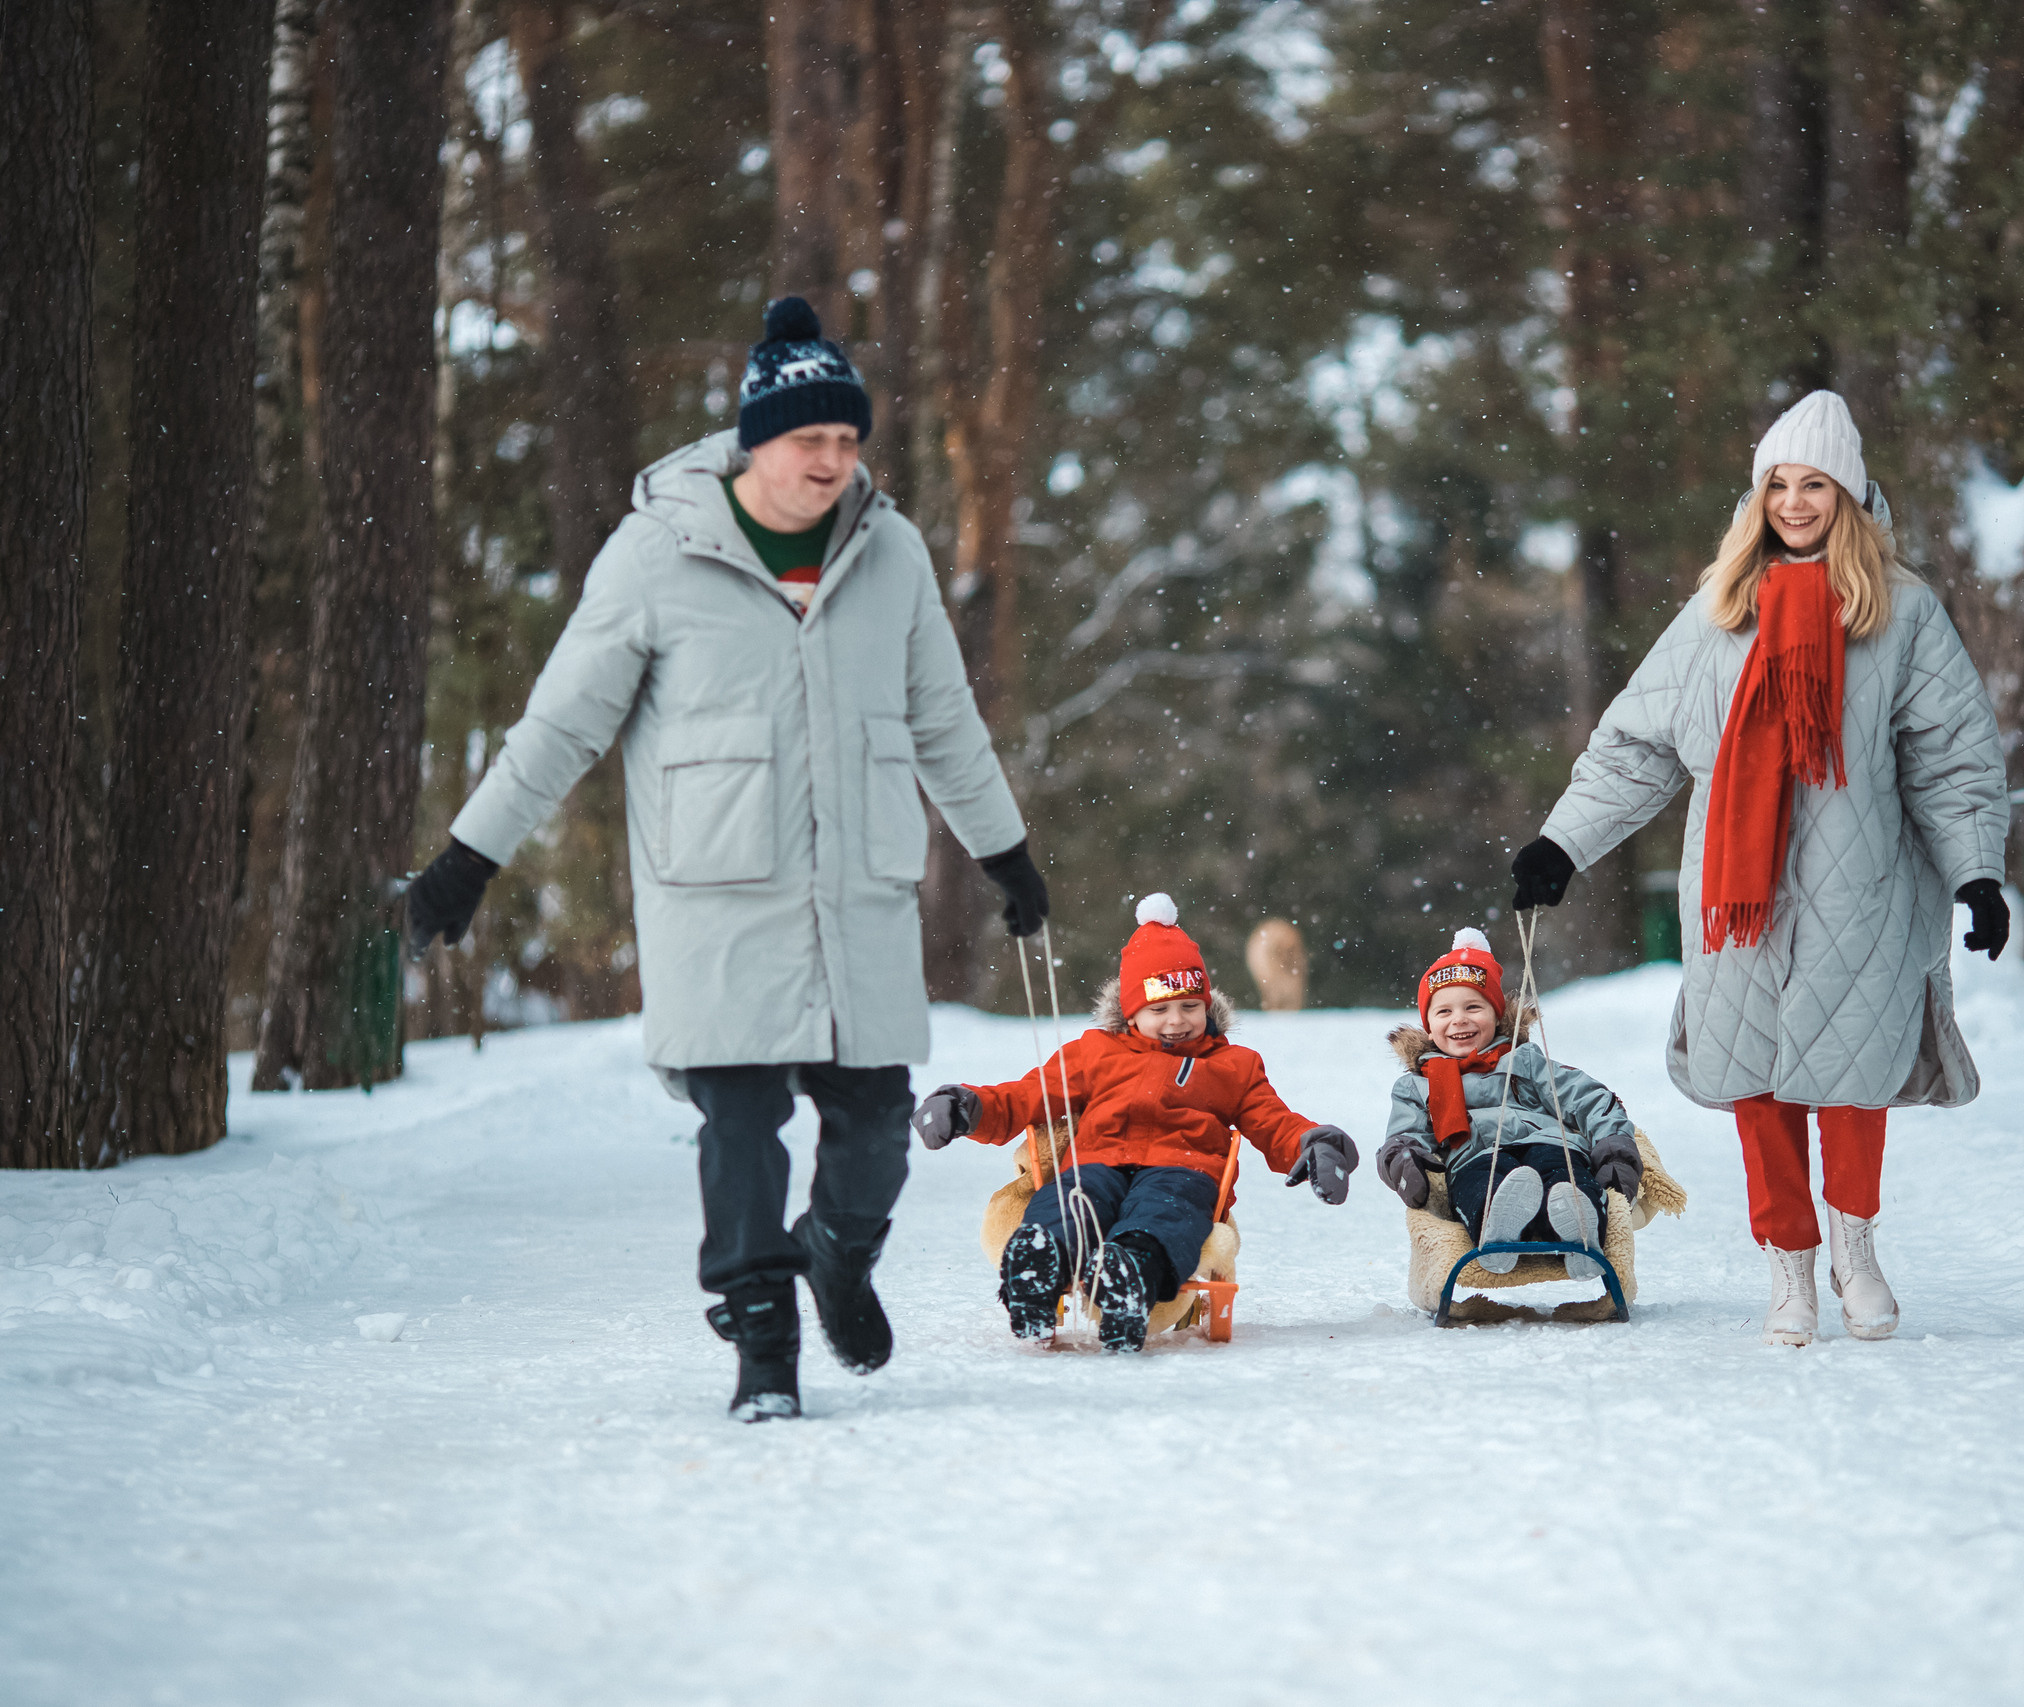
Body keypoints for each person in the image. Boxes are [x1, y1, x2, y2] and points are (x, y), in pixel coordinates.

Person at [402, 297, 1049, 1421]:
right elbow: (561, 725)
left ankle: (838, 1257)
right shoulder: (659, 552)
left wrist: (1005, 853)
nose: (833, 465)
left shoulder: (887, 551)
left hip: (857, 900)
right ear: (757, 442)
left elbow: (944, 721)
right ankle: (762, 1343)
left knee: (877, 1130)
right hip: (717, 897)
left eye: (848, 444)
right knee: (739, 1126)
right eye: (811, 443)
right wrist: (470, 856)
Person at [1508, 390, 2010, 1347]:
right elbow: (1636, 747)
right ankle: (1789, 1272)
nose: (1793, 501)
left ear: (1851, 494)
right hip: (1737, 898)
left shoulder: (1900, 615)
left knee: (1854, 1084)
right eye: (1777, 483)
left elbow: (1953, 757)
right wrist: (1563, 841)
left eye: (1813, 483)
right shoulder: (1716, 616)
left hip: (1862, 891)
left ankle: (1854, 1254)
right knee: (1759, 1090)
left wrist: (1976, 872)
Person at [911, 895, 1359, 1353]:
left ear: (1206, 1004)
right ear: (1131, 1013)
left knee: (1165, 1213)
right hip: (1097, 1162)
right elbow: (1027, 1096)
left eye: (1189, 1006)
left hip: (1183, 1169)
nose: (1176, 1021)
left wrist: (1312, 1144)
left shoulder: (1232, 1065)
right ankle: (1037, 1266)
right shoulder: (1095, 1052)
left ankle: (1130, 1276)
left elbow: (1273, 1120)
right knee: (1070, 1202)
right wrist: (967, 1106)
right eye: (1159, 1009)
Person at [1373, 928, 1643, 1282]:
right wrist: (1403, 1159)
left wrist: (1613, 1146)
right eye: (1444, 1012)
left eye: (1473, 1007)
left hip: (1550, 1142)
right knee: (1481, 1183)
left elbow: (1586, 1097)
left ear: (1496, 1014)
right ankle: (1495, 1227)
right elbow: (1404, 1133)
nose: (1459, 1019)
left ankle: (1580, 1229)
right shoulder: (1418, 1084)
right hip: (1474, 1155)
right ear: (1428, 1024)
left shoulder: (1523, 1059)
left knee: (1563, 1175)